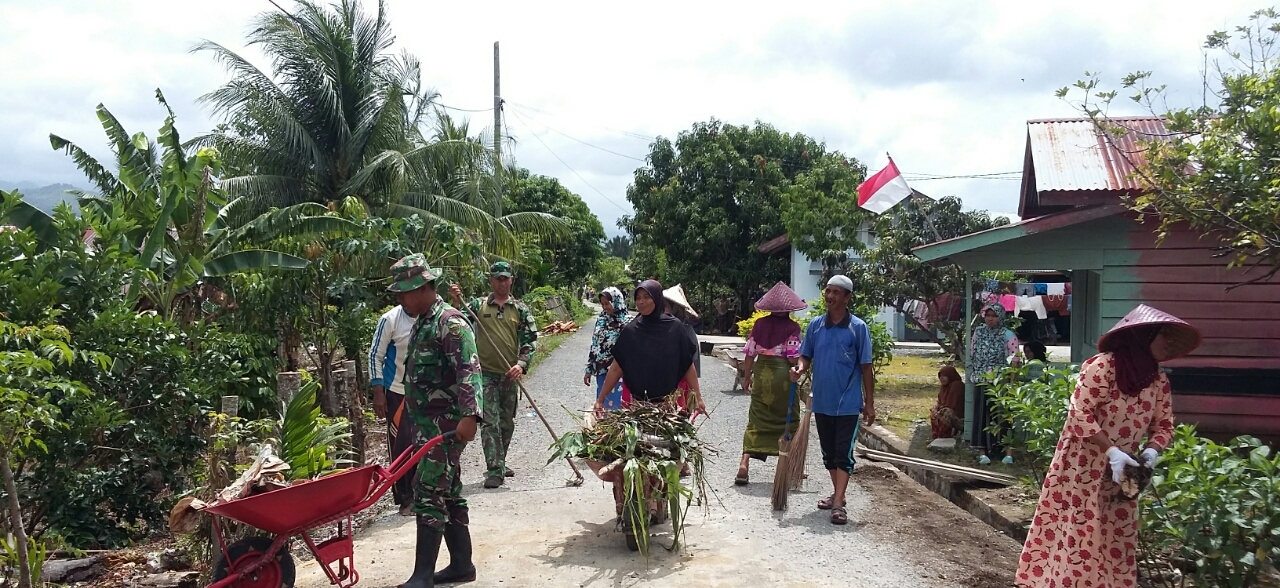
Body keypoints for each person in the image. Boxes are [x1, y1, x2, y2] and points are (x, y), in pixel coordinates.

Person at [1016, 305, 1199, 588]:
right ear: (1144, 335)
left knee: (1116, 535)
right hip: (1082, 465)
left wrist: (1150, 452)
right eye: (1164, 337)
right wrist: (1110, 451)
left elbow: (1164, 426)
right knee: (1078, 530)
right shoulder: (1102, 367)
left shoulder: (1157, 380)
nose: (1169, 344)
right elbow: (1080, 413)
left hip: (1124, 471)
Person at [386, 254, 482, 588]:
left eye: (404, 292)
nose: (400, 299)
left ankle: (422, 575)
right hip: (427, 428)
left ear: (422, 287)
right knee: (450, 491)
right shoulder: (424, 322)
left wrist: (471, 416)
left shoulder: (450, 323)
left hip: (447, 427)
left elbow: (469, 371)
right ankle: (461, 565)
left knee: (426, 492)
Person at [592, 280, 703, 520]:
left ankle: (657, 499)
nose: (641, 302)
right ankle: (630, 498)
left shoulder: (674, 329)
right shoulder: (632, 331)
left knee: (661, 454)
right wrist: (600, 399)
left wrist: (698, 397)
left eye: (647, 297)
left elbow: (687, 367)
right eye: (638, 298)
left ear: (657, 299)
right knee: (632, 451)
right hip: (635, 406)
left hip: (665, 407)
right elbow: (615, 369)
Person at [791, 274, 874, 526]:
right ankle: (839, 494)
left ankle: (838, 502)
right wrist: (799, 368)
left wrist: (869, 402)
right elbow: (805, 356)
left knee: (843, 452)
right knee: (828, 453)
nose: (830, 296)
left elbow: (867, 367)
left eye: (836, 292)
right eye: (827, 291)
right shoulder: (816, 326)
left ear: (847, 297)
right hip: (822, 402)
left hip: (847, 403)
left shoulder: (858, 328)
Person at [449, 261, 538, 490]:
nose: (502, 282)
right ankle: (494, 469)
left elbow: (530, 341)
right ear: (491, 280)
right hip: (485, 375)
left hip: (510, 375)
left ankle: (500, 460)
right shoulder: (478, 305)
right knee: (490, 423)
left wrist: (521, 364)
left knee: (506, 422)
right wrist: (456, 300)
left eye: (505, 278)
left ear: (511, 280)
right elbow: (457, 323)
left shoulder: (520, 309)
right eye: (497, 278)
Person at [736, 282, 806, 486]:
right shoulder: (792, 328)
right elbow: (794, 358)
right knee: (788, 418)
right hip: (783, 377)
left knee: (756, 417)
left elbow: (749, 354)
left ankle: (744, 463)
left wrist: (747, 376)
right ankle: (791, 466)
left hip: (763, 374)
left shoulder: (759, 326)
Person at [368, 299, 420, 516]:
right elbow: (375, 355)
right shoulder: (390, 320)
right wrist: (378, 391)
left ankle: (427, 494)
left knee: (427, 444)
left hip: (426, 392)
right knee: (402, 446)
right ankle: (406, 497)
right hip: (397, 392)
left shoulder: (432, 316)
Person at [970, 303, 1020, 465]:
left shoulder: (1007, 335)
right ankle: (982, 451)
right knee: (981, 415)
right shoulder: (979, 332)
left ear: (1000, 317)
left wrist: (1011, 383)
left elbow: (1014, 360)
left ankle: (1007, 453)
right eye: (988, 315)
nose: (990, 319)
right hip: (981, 380)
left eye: (994, 316)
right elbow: (973, 353)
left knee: (1002, 416)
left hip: (1000, 382)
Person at [583, 287, 630, 410]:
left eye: (607, 303)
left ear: (616, 301)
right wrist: (589, 369)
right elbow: (595, 345)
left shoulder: (627, 323)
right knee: (602, 405)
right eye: (602, 304)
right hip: (601, 371)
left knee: (617, 408)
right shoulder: (601, 320)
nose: (604, 307)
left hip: (619, 374)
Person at [930, 366, 965, 441]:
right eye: (940, 376)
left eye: (944, 376)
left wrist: (940, 411)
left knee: (946, 414)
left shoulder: (957, 385)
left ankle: (945, 436)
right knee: (933, 412)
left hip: (958, 417)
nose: (942, 378)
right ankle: (937, 436)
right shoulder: (944, 387)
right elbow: (940, 402)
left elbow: (953, 404)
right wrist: (936, 409)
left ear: (950, 376)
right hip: (945, 410)